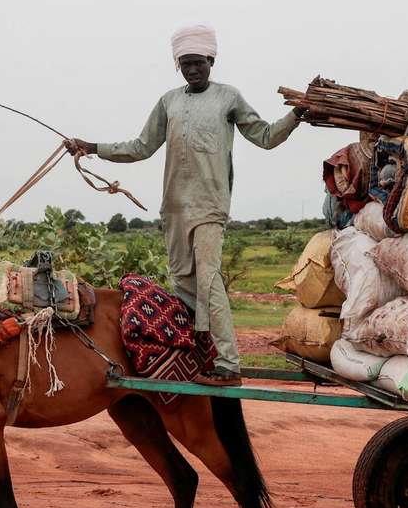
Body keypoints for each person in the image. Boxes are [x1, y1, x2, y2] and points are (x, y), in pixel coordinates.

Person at [65, 24, 304, 386]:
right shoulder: (169, 101)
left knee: (208, 280)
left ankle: (228, 363)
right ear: (179, 65)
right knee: (184, 281)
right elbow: (141, 146)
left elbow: (266, 137)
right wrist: (93, 148)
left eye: (199, 63)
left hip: (210, 205)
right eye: (186, 64)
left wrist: (297, 115)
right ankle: (197, 352)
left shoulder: (229, 97)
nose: (193, 70)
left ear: (211, 60)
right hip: (174, 206)